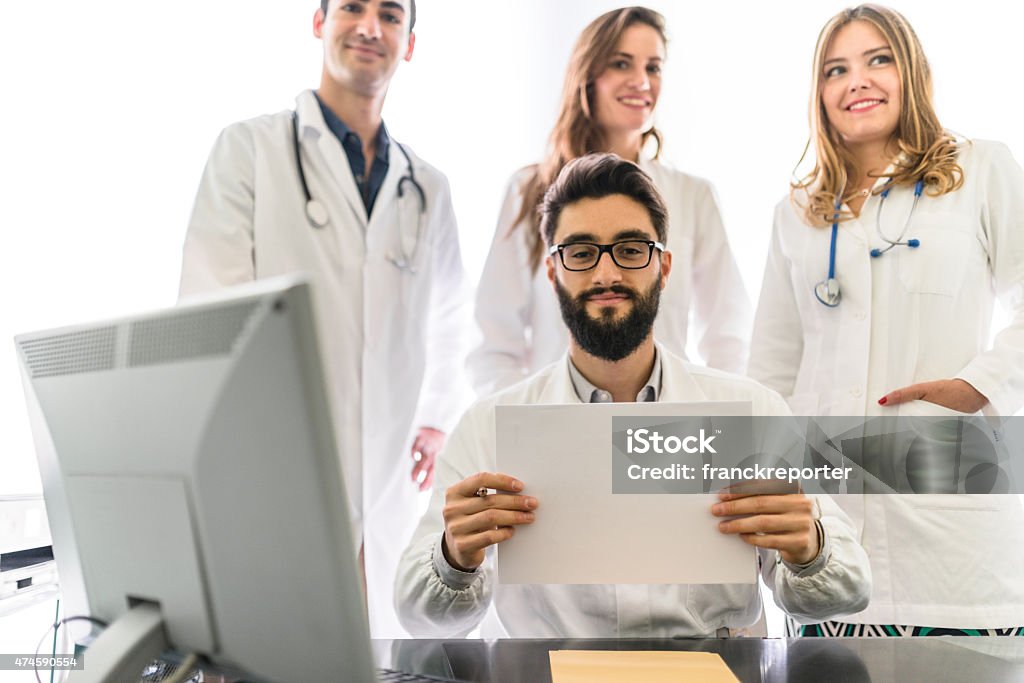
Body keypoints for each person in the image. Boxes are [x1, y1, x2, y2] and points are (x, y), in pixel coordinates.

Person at [395, 154, 871, 638]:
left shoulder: (754, 412)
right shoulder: (488, 425)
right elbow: (419, 616)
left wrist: (809, 546)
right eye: (581, 253)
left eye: (630, 249)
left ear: (664, 267)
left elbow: (848, 591)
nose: (606, 275)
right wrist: (455, 558)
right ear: (552, 271)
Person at [178, 0, 471, 638]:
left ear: (409, 44)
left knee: (374, 652)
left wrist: (435, 416)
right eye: (353, 8)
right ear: (319, 23)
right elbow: (209, 316)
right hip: (272, 473)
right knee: (268, 650)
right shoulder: (249, 149)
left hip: (388, 478)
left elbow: (452, 313)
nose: (370, 27)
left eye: (391, 15)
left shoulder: (428, 187)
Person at [749, 4, 1024, 636]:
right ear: (819, 92)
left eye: (878, 60)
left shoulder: (978, 170)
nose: (857, 81)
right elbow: (770, 368)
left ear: (911, 70)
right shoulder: (795, 212)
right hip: (831, 527)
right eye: (835, 69)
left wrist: (979, 385)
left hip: (953, 533)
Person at [467, 7, 751, 398]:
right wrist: (525, 428)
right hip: (558, 427)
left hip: (666, 431)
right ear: (587, 76)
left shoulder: (693, 196)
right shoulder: (528, 190)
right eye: (621, 64)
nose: (641, 81)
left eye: (653, 67)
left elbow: (728, 337)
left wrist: (717, 425)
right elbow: (494, 343)